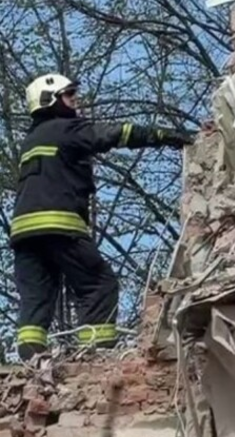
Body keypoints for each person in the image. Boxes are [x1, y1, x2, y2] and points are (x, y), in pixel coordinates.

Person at [11, 74, 193, 360]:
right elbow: (114, 134)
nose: (76, 100)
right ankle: (95, 356)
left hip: (24, 237)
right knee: (98, 285)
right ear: (49, 101)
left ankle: (31, 364)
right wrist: (163, 136)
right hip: (60, 227)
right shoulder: (66, 129)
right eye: (69, 95)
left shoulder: (31, 140)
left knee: (36, 299)